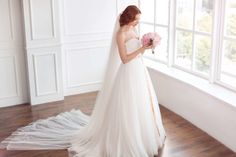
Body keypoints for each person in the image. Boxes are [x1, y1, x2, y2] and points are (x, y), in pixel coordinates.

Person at [0, 5, 166, 157]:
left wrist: (146, 48)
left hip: (140, 72)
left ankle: (143, 137)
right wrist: (142, 48)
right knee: (127, 108)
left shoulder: (134, 31)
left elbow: (138, 55)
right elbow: (124, 59)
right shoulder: (121, 34)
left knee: (141, 105)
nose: (137, 23)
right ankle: (127, 138)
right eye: (136, 19)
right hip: (128, 74)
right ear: (128, 18)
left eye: (139, 20)